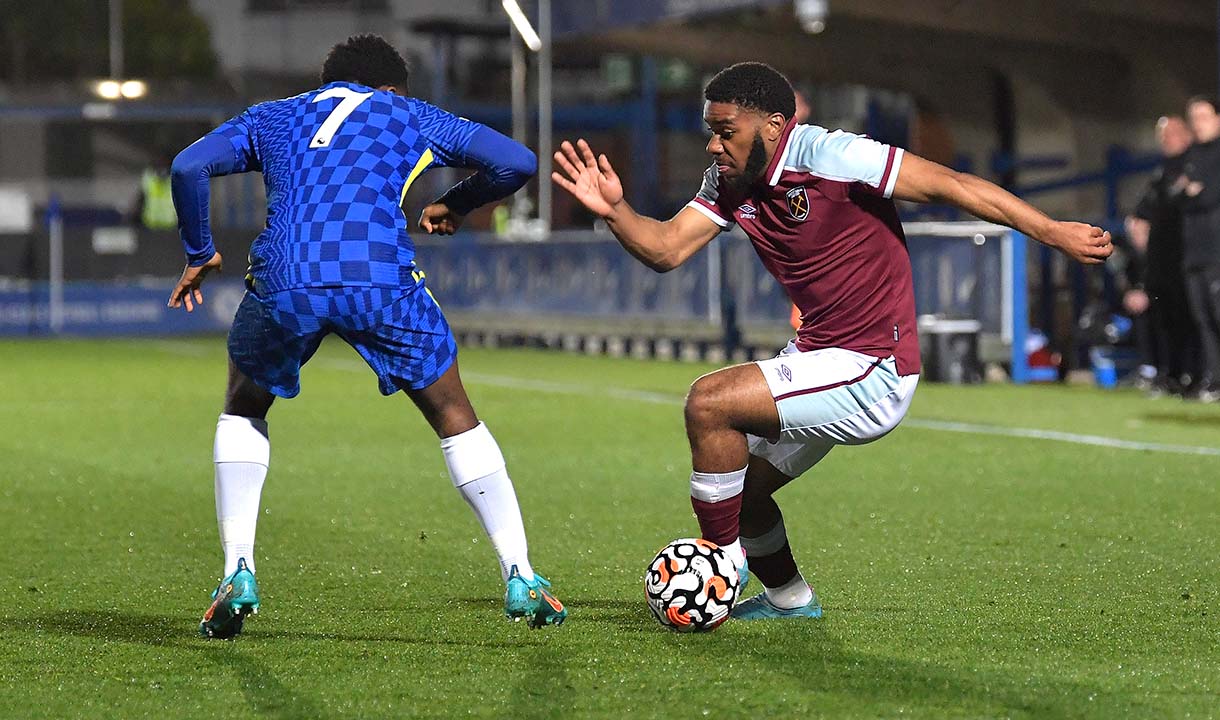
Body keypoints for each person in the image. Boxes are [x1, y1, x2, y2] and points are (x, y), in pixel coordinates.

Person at [552, 62, 1111, 620]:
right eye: (710, 131)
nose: (713, 146)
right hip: (821, 355)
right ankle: (791, 602)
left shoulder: (834, 156)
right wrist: (616, 211)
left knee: (709, 404)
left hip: (874, 365)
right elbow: (667, 248)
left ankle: (720, 565)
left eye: (726, 132)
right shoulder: (728, 181)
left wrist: (1052, 231)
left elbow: (954, 185)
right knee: (741, 491)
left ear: (773, 126)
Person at [167, 34, 566, 638]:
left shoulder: (274, 116)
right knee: (453, 412)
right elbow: (518, 161)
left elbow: (188, 165)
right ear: (389, 88)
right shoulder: (408, 114)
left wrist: (200, 251)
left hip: (287, 278)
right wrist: (456, 203)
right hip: (377, 277)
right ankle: (521, 573)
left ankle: (237, 568)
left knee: (244, 406)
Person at [1127, 116, 1197, 396]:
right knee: (1166, 320)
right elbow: (1139, 217)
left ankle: (1198, 374)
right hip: (1163, 263)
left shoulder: (1197, 165)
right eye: (1163, 135)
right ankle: (1171, 374)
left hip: (1188, 256)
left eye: (1173, 134)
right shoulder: (1161, 174)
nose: (1167, 140)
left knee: (1194, 319)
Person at [1175, 97, 1220, 402]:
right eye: (1194, 117)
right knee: (1202, 320)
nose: (1198, 122)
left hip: (1218, 252)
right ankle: (1213, 379)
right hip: (1193, 253)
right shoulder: (1190, 155)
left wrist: (1191, 193)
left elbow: (1209, 196)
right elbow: (1175, 196)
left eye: (1204, 116)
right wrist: (1190, 193)